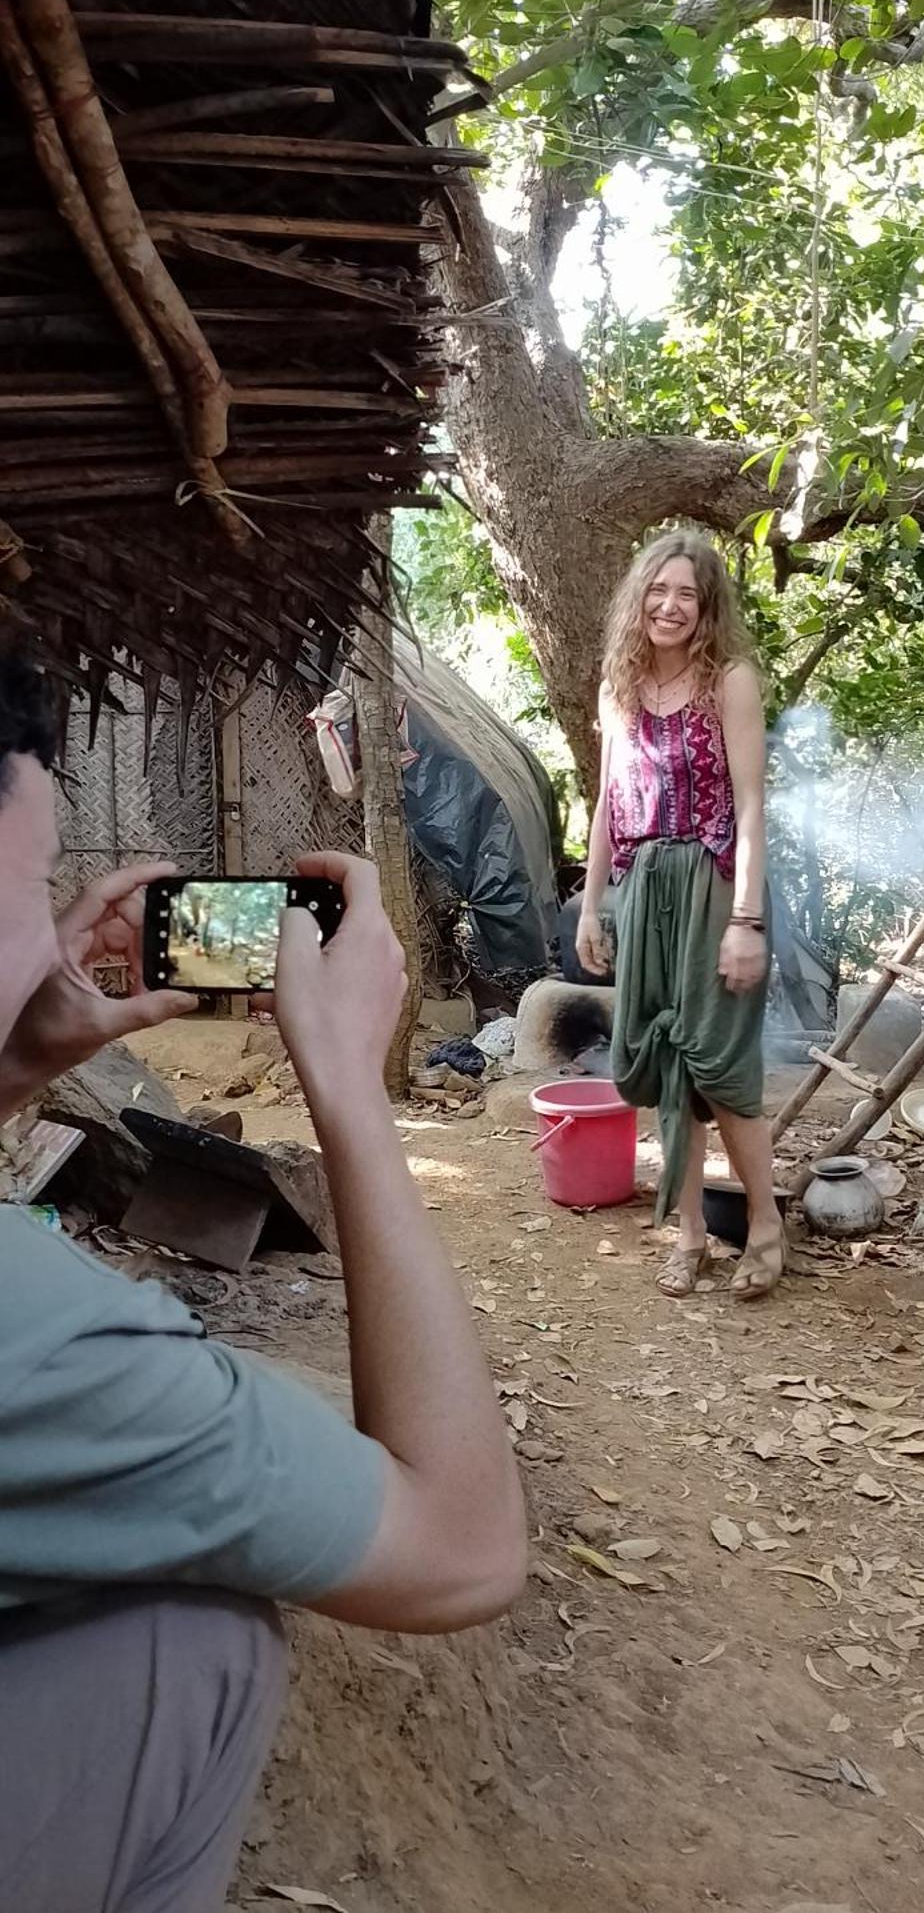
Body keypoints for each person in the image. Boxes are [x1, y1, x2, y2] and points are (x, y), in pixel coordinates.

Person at [0, 647, 526, 1912]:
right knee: (207, 1641)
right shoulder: (49, 1340)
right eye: (31, 880)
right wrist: (349, 1087)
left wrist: (15, 1068)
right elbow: (461, 1548)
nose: (54, 913)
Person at [576, 531, 785, 1300]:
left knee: (719, 1065)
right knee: (665, 1065)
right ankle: (690, 1233)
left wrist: (746, 921)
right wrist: (592, 904)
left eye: (686, 594)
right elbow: (605, 802)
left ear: (706, 608)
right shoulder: (618, 685)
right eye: (657, 591)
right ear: (639, 599)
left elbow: (752, 805)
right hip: (641, 886)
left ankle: (764, 1223)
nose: (669, 606)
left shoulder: (727, 679)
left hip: (712, 880)